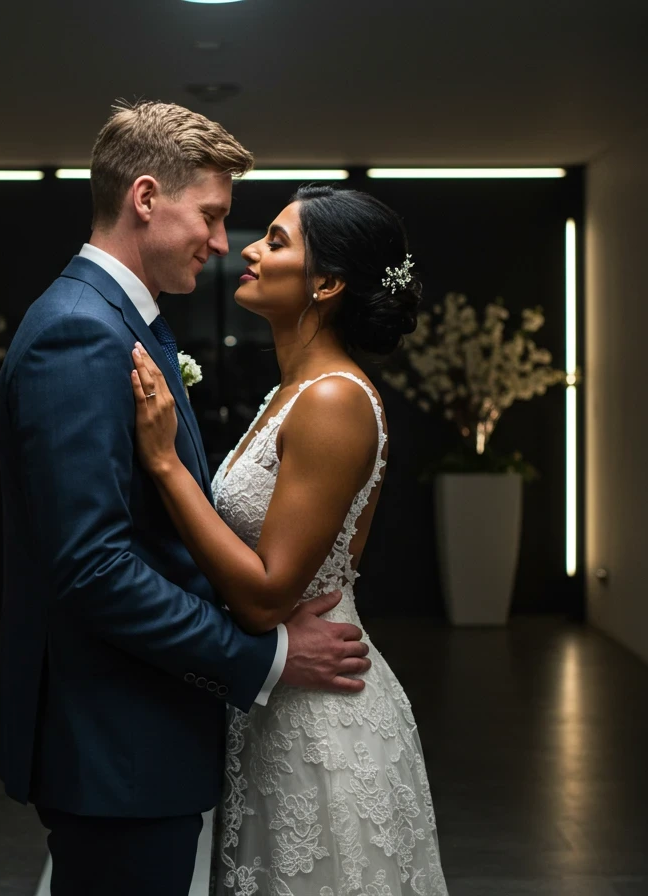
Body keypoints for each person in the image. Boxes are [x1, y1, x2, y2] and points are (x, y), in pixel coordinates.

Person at [0, 102, 371, 896]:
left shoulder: (119, 320)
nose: (223, 243)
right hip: (116, 747)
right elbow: (94, 570)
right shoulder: (80, 332)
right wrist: (261, 655)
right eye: (213, 215)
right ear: (146, 198)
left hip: (144, 738)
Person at [129, 185, 449, 895]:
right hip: (278, 701)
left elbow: (269, 594)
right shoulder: (291, 392)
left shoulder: (334, 399)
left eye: (276, 241)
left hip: (323, 715)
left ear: (327, 283)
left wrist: (163, 464)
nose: (247, 249)